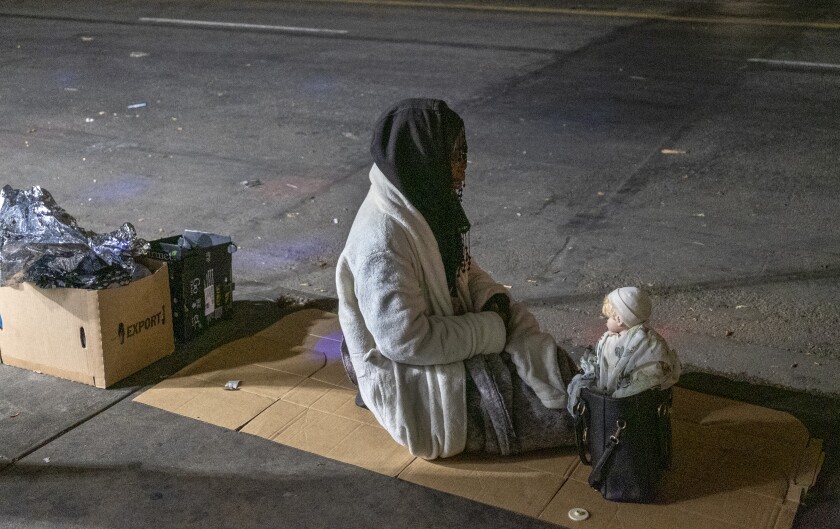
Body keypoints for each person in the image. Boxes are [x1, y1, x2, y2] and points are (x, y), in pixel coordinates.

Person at [336, 98, 577, 460]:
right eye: (454, 156)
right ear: (423, 157)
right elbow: (406, 342)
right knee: (537, 411)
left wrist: (493, 301)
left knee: (552, 364)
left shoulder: (425, 202)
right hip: (413, 361)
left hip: (450, 335)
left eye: (464, 154)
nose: (462, 169)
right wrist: (490, 331)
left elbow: (464, 269)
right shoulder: (382, 242)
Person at [566, 287, 681, 415]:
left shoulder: (633, 342)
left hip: (626, 406)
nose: (606, 321)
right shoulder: (651, 339)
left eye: (608, 318)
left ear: (619, 320)